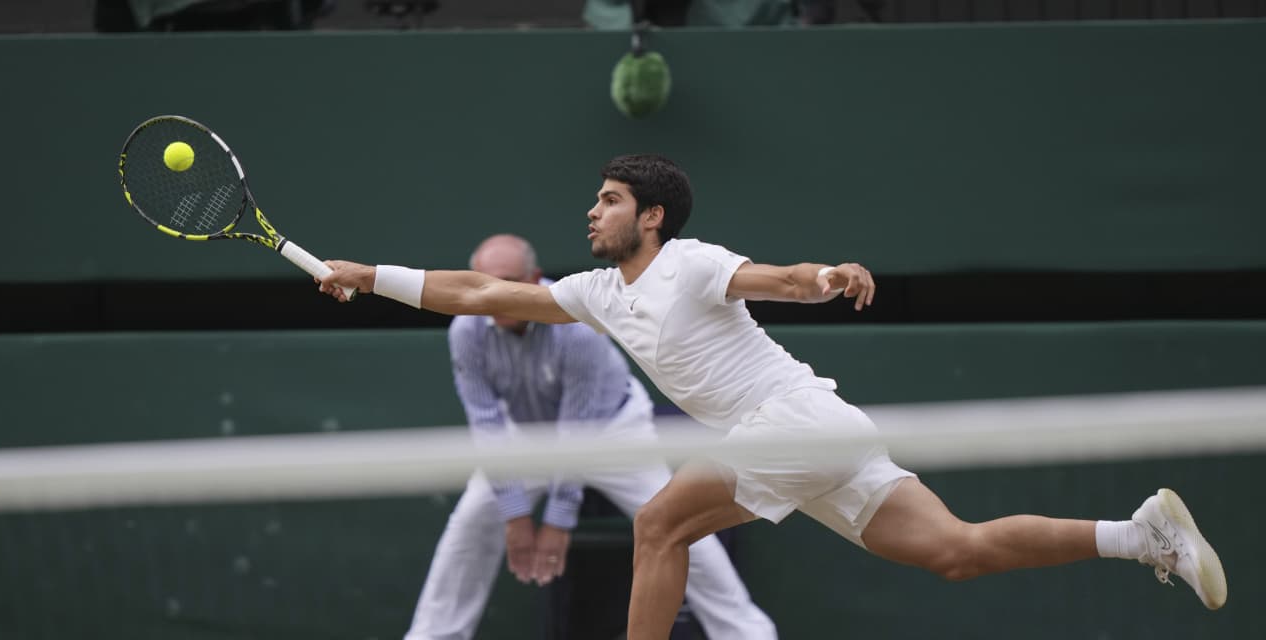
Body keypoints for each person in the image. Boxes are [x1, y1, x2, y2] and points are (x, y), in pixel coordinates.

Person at [319, 154, 1228, 639]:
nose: (589, 213)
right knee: (955, 551)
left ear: (651, 217)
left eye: (606, 200)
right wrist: (372, 277)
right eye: (591, 201)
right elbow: (479, 294)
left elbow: (780, 279)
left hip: (791, 421)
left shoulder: (691, 261)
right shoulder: (595, 295)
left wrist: (826, 274)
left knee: (655, 525)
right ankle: (1141, 534)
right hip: (809, 436)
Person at [403, 234, 777, 640]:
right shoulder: (466, 331)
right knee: (470, 525)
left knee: (675, 523)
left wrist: (557, 522)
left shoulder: (576, 328)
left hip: (612, 433)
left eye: (508, 280)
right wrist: (514, 514)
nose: (494, 295)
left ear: (534, 279)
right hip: (523, 437)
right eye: (484, 281)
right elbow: (487, 426)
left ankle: (747, 632)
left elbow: (576, 433)